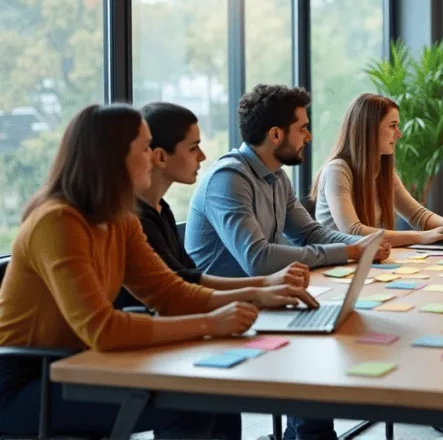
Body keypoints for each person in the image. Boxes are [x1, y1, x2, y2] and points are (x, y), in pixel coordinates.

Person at [0, 105, 316, 438]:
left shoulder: (119, 218)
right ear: (114, 157)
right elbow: (102, 329)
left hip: (82, 365)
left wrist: (248, 302)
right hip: (28, 384)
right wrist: (212, 322)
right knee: (188, 401)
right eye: (145, 148)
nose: (153, 157)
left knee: (218, 388)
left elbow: (168, 292)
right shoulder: (57, 222)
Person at [117, 102, 312, 311]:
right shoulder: (136, 218)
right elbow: (176, 292)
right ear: (161, 156)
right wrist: (258, 291)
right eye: (193, 148)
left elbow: (189, 279)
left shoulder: (161, 209)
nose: (202, 156)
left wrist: (266, 285)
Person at [185, 84, 390, 280]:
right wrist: (349, 251)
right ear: (275, 134)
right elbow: (258, 260)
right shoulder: (228, 179)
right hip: (225, 307)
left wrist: (366, 244)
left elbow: (310, 234)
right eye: (302, 129)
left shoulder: (277, 177)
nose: (308, 137)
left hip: (263, 296)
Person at [311, 93, 443, 247]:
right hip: (336, 269)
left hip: (366, 261)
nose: (399, 134)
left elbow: (419, 216)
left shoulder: (383, 171)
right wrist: (420, 237)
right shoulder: (337, 171)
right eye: (392, 126)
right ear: (369, 130)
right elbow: (352, 231)